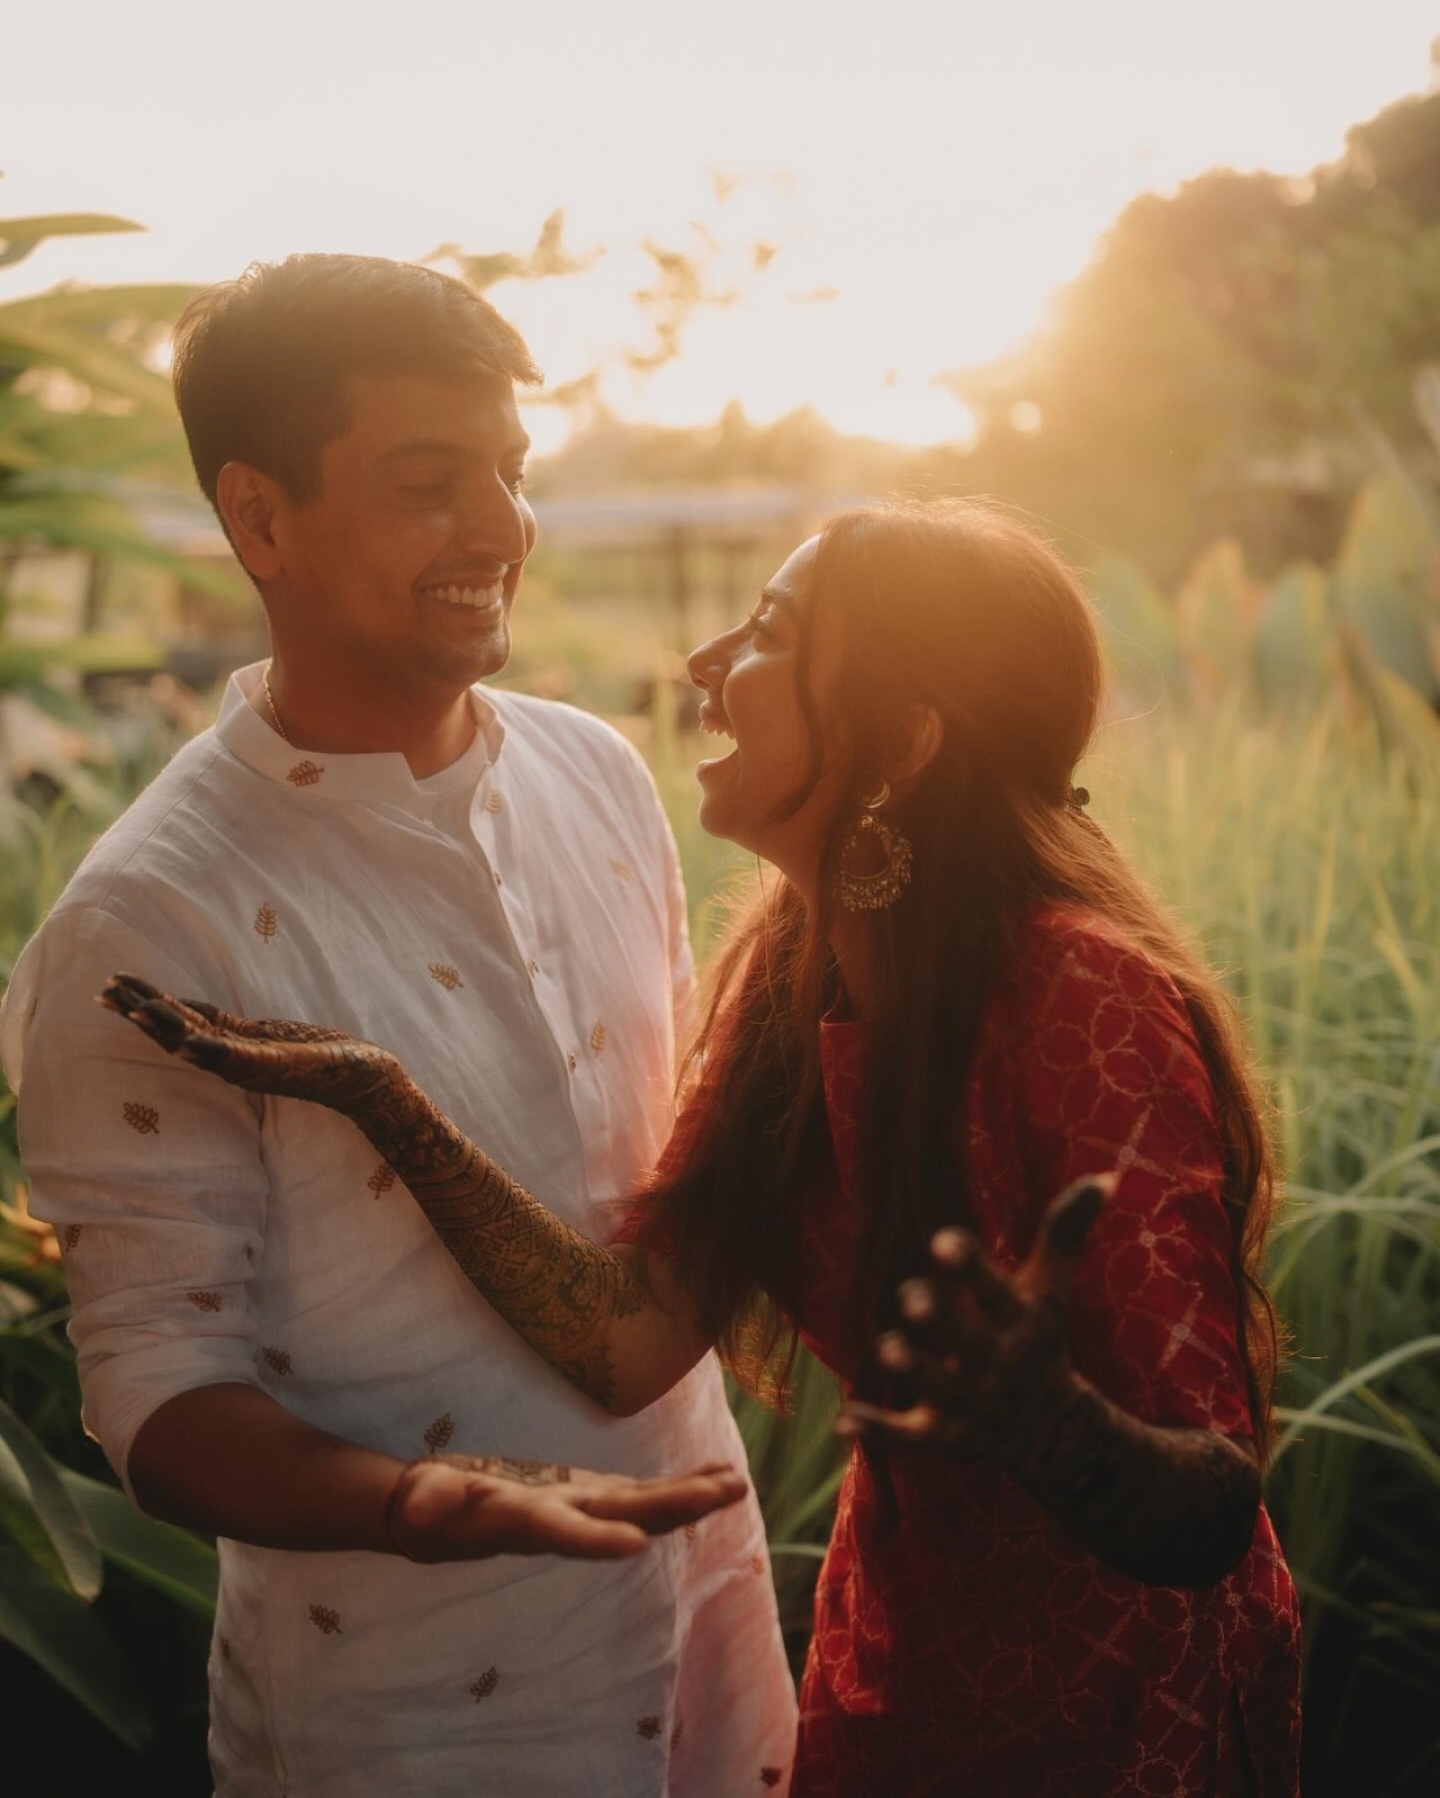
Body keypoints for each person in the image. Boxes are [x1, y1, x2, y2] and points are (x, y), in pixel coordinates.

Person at [102, 500, 1306, 1796]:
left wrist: (1053, 1426)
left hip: (1117, 1712)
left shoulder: (1084, 1001)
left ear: (903, 741)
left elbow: (1211, 1504)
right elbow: (628, 1334)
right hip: (902, 1666)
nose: (702, 665)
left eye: (772, 633)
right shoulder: (796, 977)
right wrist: (388, 1102)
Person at [0, 254, 796, 1797]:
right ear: (261, 518)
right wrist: (414, 1500)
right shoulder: (147, 922)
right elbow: (155, 1392)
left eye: (510, 472)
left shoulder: (603, 775)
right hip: (418, 1710)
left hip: (701, 1626)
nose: (500, 528)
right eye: (433, 482)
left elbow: (668, 1180)